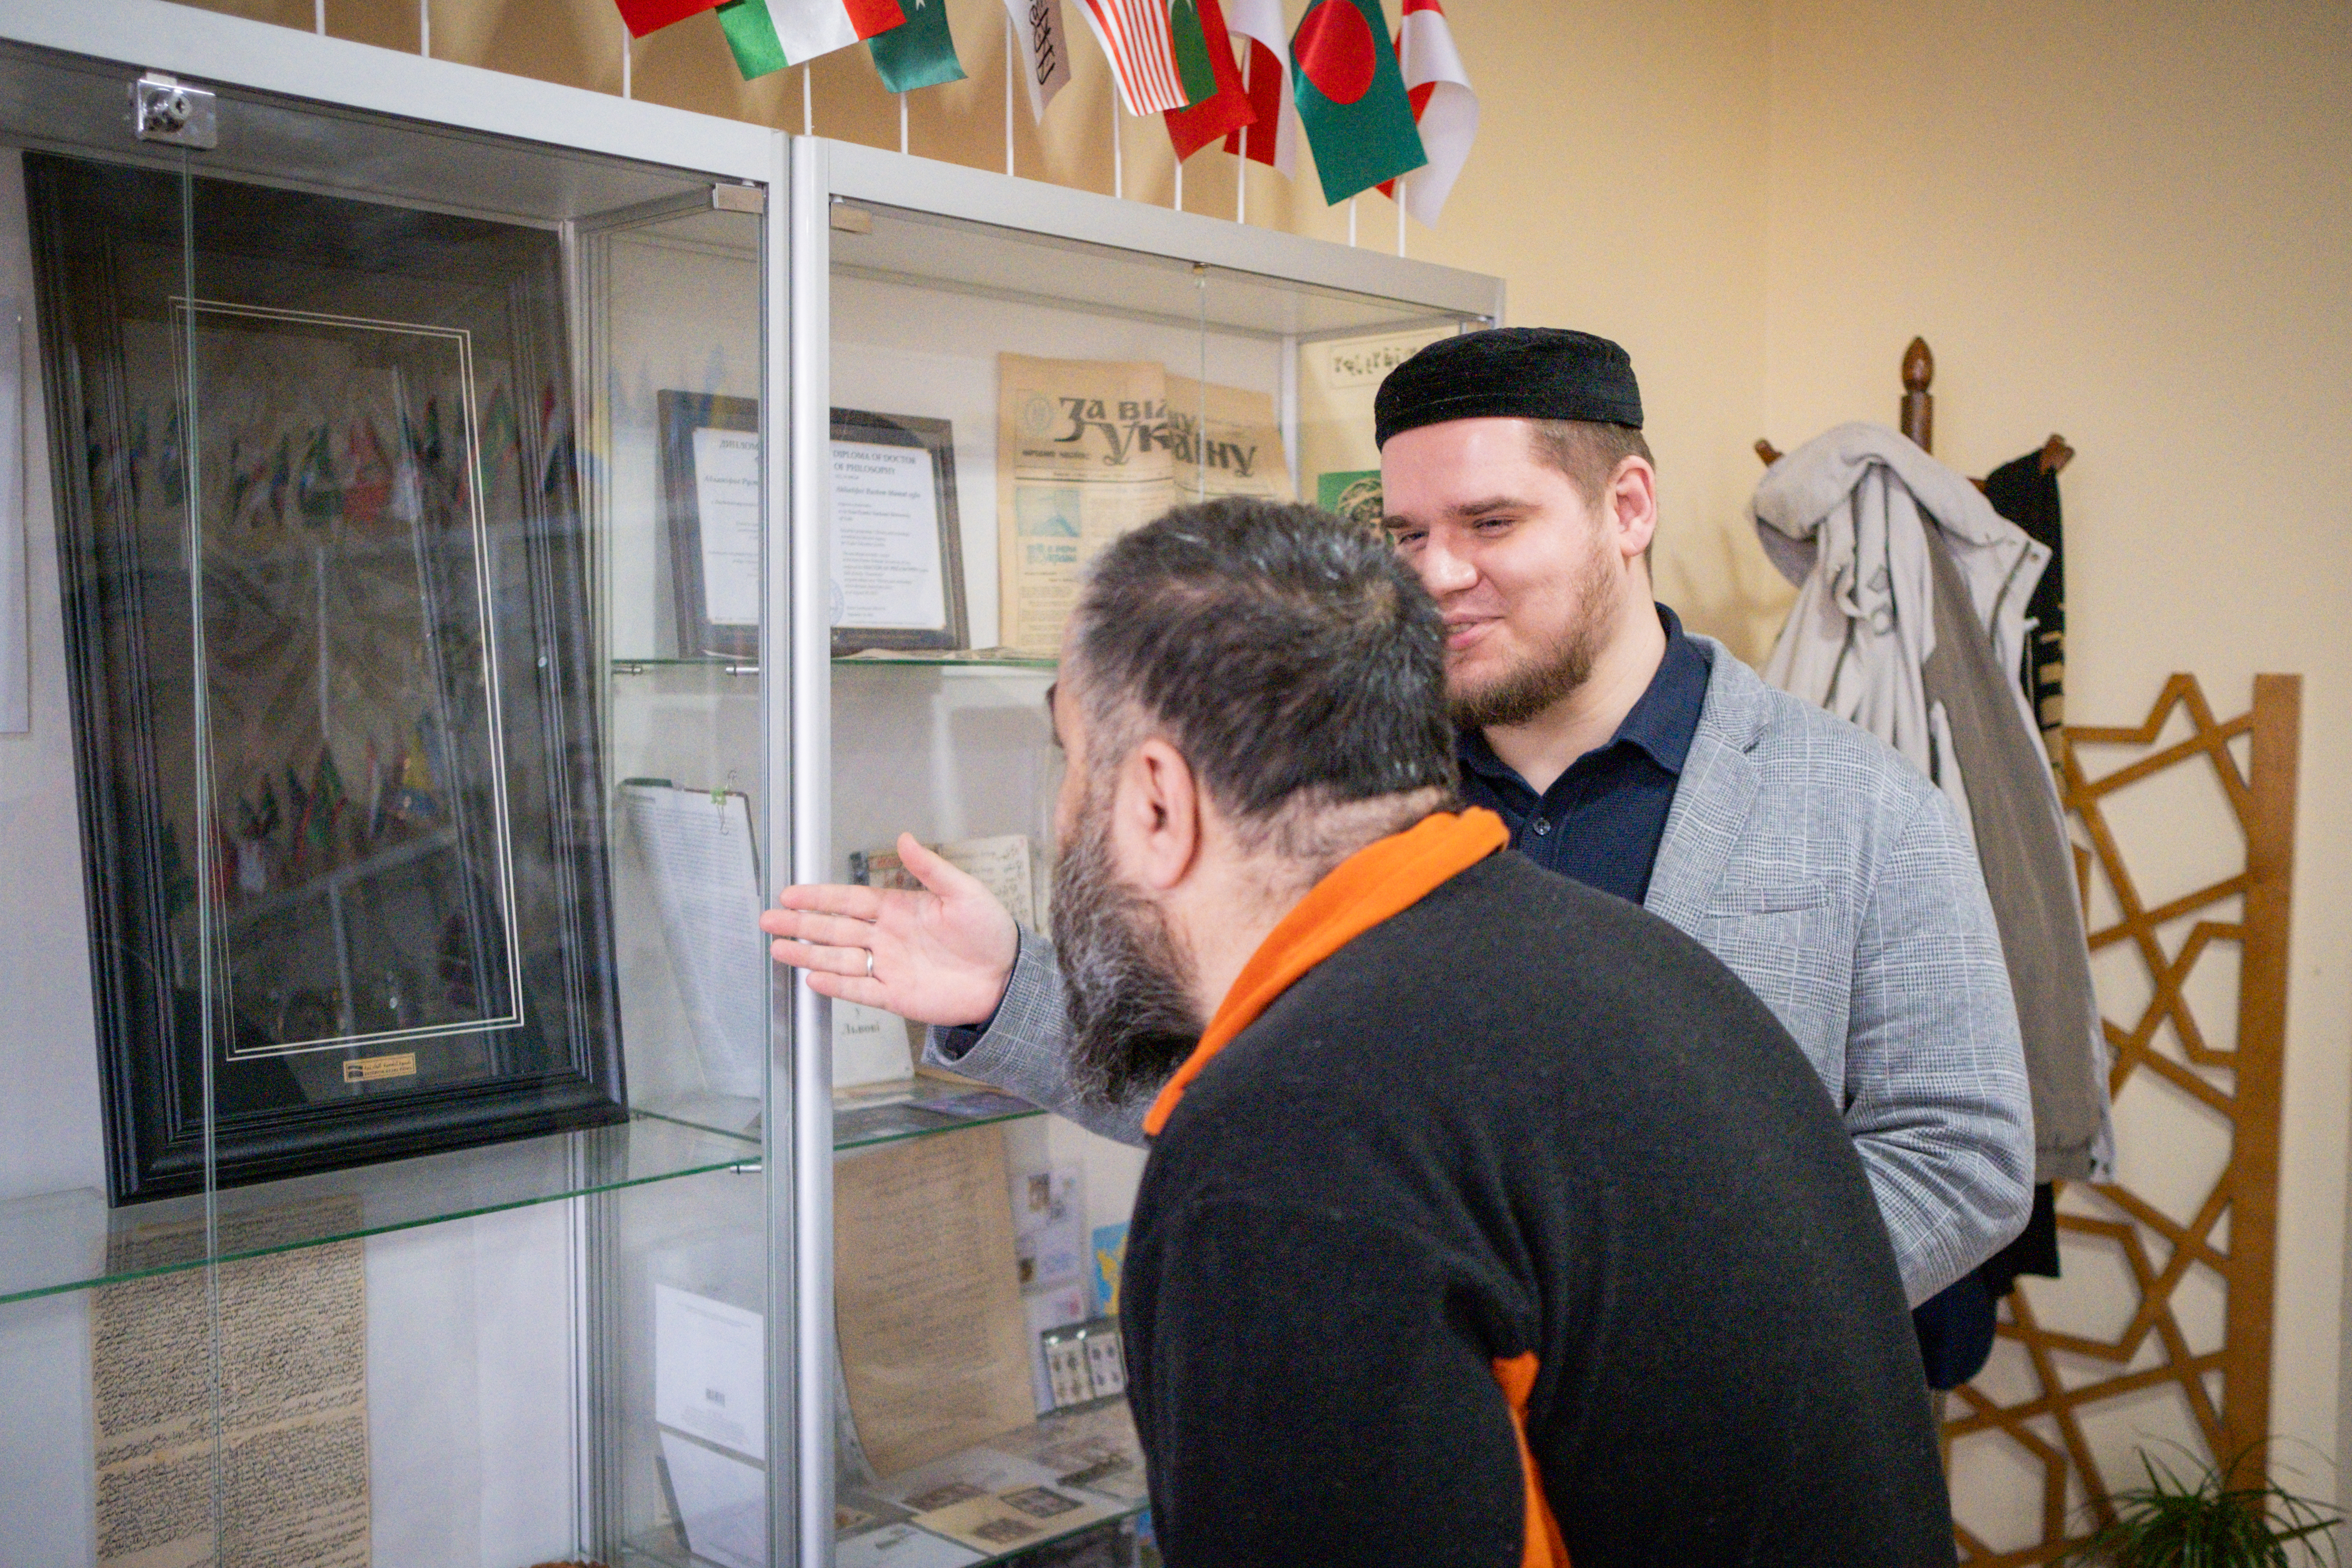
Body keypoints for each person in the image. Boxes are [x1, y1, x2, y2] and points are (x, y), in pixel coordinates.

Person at [764, 327, 2033, 1308]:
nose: (1437, 574)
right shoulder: (1336, 790)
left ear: (1628, 508)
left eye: (1492, 522)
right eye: (1406, 532)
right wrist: (1007, 993)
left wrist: (1658, 1316)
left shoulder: (1866, 807)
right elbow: (1233, 1085)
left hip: (1723, 1481)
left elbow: (1963, 1160)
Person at [898, 497, 1962, 1563]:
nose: (1064, 820)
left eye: (1076, 766)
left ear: (1160, 803)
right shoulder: (1645, 967)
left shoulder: (1284, 1155)